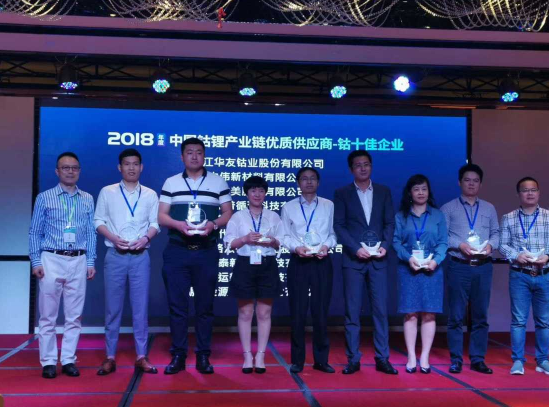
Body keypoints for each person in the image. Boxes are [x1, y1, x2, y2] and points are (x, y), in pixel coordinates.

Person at [158, 137, 233, 375]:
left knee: (205, 307)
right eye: (189, 152)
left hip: (206, 251)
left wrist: (213, 224)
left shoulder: (218, 181)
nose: (194, 156)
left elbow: (228, 213)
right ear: (182, 157)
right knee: (177, 307)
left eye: (199, 152)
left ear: (204, 156)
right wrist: (178, 225)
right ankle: (179, 355)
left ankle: (203, 355)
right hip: (178, 251)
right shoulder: (171, 182)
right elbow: (162, 216)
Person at [29, 152, 96, 379]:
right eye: (65, 168)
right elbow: (35, 232)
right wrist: (36, 261)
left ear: (79, 171)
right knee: (47, 316)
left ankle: (68, 359)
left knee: (74, 316)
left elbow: (90, 233)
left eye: (74, 167)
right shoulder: (44, 197)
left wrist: (90, 261)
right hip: (51, 258)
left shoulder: (87, 198)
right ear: (57, 171)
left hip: (78, 259)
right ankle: (48, 361)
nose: (70, 171)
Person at [94, 148, 160, 376]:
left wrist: (145, 239)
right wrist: (113, 238)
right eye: (127, 164)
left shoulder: (150, 194)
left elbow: (155, 224)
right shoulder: (107, 192)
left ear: (141, 167)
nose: (131, 168)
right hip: (115, 256)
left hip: (140, 256)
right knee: (113, 309)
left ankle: (141, 356)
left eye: (135, 164)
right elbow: (98, 221)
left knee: (140, 309)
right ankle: (110, 357)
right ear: (119, 167)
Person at [333, 150, 398, 375]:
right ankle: (353, 358)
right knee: (352, 312)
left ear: (371, 166)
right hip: (354, 260)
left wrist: (385, 246)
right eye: (358, 165)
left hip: (379, 260)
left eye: (366, 164)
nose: (363, 168)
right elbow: (339, 225)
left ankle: (382, 358)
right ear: (351, 169)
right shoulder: (342, 193)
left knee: (380, 311)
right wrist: (355, 248)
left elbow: (389, 223)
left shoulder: (383, 191)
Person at [441, 163, 499, 374]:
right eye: (467, 180)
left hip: (483, 267)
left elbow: (496, 233)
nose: (471, 184)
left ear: (480, 184)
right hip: (459, 266)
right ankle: (456, 359)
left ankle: (477, 359)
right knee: (456, 316)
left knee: (480, 316)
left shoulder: (489, 208)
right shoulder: (448, 208)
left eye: (475, 181)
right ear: (459, 182)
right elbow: (443, 236)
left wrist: (491, 245)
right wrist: (460, 245)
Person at [281, 167, 337, 374]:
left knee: (320, 312)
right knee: (298, 312)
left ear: (318, 182)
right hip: (299, 261)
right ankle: (297, 360)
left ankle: (321, 360)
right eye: (304, 179)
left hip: (322, 261)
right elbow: (285, 236)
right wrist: (297, 248)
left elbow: (332, 234)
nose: (309, 182)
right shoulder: (288, 207)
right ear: (298, 183)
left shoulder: (328, 205)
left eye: (313, 178)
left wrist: (326, 246)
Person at [224, 176, 283, 374]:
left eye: (261, 190)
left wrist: (272, 241)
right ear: (247, 193)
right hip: (245, 265)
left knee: (264, 313)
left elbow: (281, 242)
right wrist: (245, 239)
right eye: (253, 190)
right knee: (245, 312)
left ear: (265, 193)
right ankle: (247, 355)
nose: (257, 194)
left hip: (267, 265)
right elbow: (229, 243)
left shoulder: (273, 216)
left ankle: (261, 355)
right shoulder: (238, 217)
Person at [393, 174, 448, 374]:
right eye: (416, 189)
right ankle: (411, 356)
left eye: (424, 189)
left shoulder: (437, 215)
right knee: (410, 313)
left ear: (429, 191)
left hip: (432, 269)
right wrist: (408, 258)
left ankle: (424, 356)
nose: (421, 192)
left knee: (429, 313)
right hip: (409, 269)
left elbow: (443, 242)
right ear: (410, 192)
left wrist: (435, 261)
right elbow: (396, 242)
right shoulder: (401, 216)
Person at [500, 177, 549, 376]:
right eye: (525, 190)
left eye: (533, 190)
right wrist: (515, 255)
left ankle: (543, 360)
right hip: (520, 275)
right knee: (519, 320)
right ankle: (518, 361)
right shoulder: (509, 218)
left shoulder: (548, 216)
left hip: (544, 275)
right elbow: (502, 245)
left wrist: (547, 256)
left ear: (539, 192)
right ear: (518, 194)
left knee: (544, 321)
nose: (530, 193)